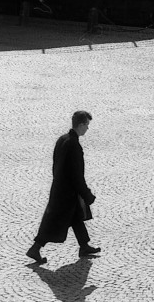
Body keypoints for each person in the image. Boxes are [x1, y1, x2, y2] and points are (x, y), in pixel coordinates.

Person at [26, 110, 101, 264]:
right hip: (67, 193)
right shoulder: (73, 145)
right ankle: (35, 248)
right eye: (87, 124)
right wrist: (86, 194)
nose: (88, 128)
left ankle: (84, 245)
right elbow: (76, 174)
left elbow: (56, 165)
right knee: (53, 221)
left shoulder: (62, 139)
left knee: (76, 217)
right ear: (80, 125)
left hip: (60, 189)